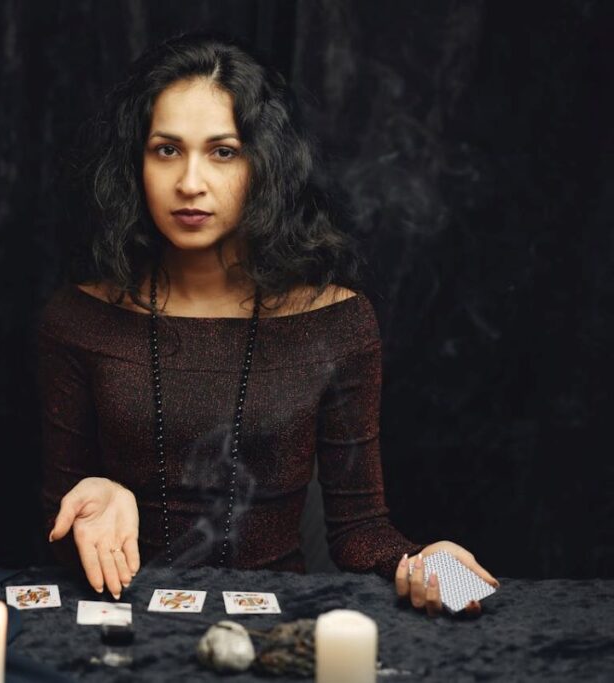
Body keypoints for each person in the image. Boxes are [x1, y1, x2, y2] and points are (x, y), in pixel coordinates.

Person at [36, 32, 499, 618]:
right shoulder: (79, 320)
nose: (191, 183)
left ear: (264, 164)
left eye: (223, 151)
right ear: (136, 162)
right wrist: (94, 498)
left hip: (275, 631)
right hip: (121, 625)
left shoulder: (336, 322)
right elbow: (53, 544)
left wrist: (428, 565)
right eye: (166, 150)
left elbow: (360, 531)